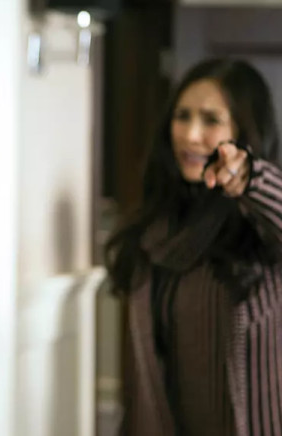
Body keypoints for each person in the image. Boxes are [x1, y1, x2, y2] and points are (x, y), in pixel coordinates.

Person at [106, 58, 282, 436]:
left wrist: (252, 179)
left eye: (211, 120)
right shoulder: (156, 230)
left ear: (243, 131)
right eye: (182, 116)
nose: (190, 135)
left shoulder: (260, 228)